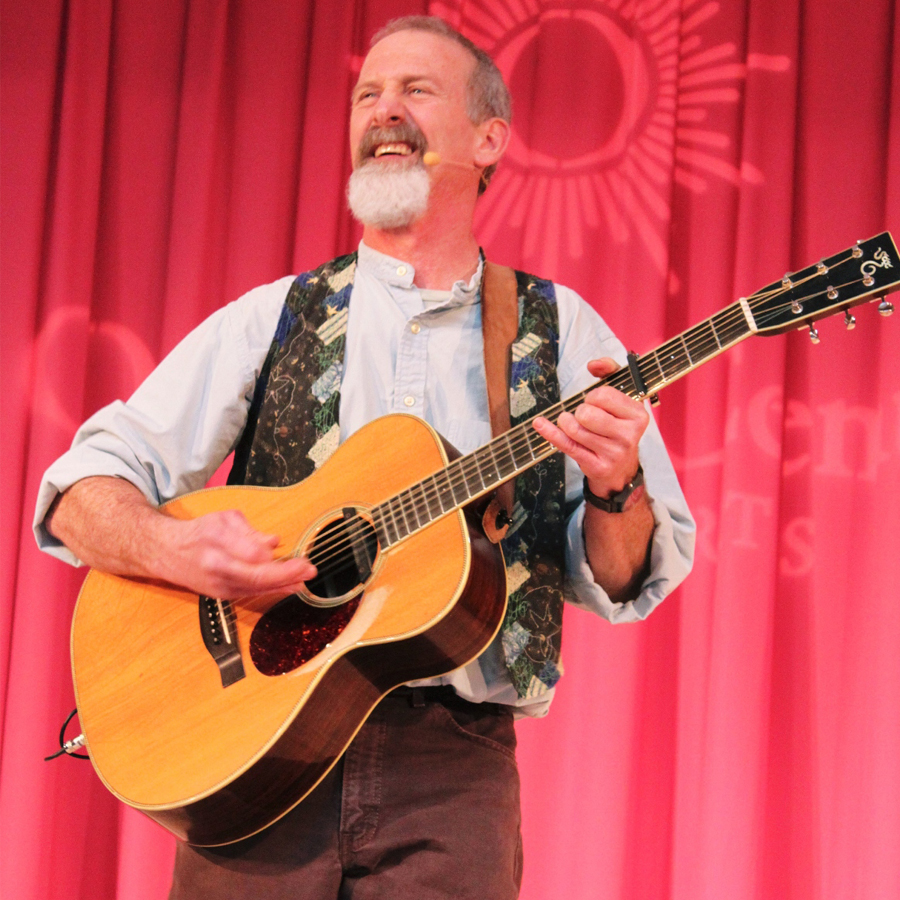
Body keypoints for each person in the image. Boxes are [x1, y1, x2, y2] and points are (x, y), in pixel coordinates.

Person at [34, 16, 694, 900]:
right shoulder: (274, 316)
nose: (383, 111)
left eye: (416, 91)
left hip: (451, 776)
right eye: (367, 95)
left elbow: (619, 579)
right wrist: (174, 549)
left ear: (489, 136)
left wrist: (618, 484)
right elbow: (79, 490)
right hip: (253, 753)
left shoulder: (561, 332)